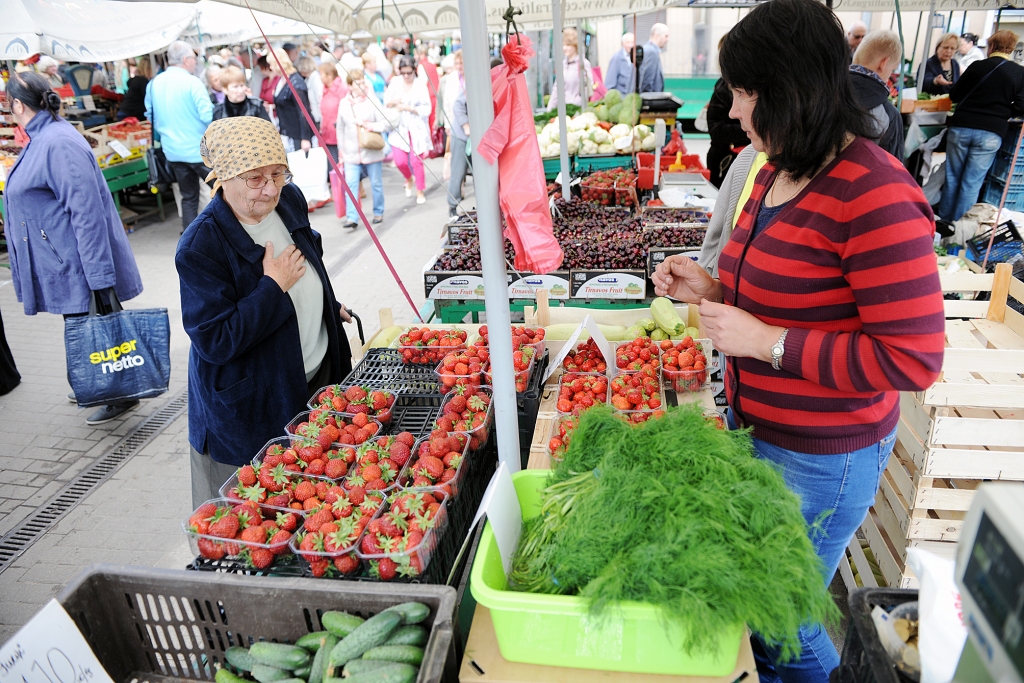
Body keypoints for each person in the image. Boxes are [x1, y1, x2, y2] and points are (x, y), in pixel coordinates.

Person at [651, 1, 945, 680]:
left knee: (781, 616)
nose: (734, 112)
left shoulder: (875, 194)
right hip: (760, 430)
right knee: (762, 612)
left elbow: (912, 358)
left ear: (789, 92)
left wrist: (769, 341)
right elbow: (779, 290)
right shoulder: (775, 168)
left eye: (748, 93)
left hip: (823, 455)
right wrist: (713, 289)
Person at [176, 116, 353, 507]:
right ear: (223, 178)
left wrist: (324, 303)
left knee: (317, 501)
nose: (270, 188)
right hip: (254, 406)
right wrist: (272, 287)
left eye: (278, 173)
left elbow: (310, 256)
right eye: (255, 178)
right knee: (257, 513)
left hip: (316, 380)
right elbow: (216, 341)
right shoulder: (201, 246)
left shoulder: (288, 200)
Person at [5, 71, 145, 424]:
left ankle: (118, 393)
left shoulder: (57, 142)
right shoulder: (44, 136)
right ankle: (94, 381)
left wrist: (99, 276)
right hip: (65, 257)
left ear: (18, 104)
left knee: (94, 325)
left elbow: (86, 214)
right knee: (82, 325)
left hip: (77, 260)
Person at [937, 30, 1024, 224]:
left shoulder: (977, 66)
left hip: (962, 127)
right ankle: (959, 229)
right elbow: (1021, 106)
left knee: (952, 178)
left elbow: (955, 95)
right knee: (971, 183)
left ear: (991, 47)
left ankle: (942, 225)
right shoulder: (1019, 73)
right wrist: (1002, 112)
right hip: (992, 132)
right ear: (1010, 49)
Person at [146, 41, 214, 233]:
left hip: (173, 151)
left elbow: (150, 115)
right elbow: (208, 116)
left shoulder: (154, 84)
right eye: (194, 57)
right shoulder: (192, 82)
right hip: (201, 152)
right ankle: (229, 235)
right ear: (185, 60)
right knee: (224, 192)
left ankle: (191, 240)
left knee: (188, 197)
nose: (195, 62)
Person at [336, 69, 389, 227]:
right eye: (357, 83)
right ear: (350, 86)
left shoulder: (372, 100)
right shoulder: (344, 103)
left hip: (371, 149)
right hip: (351, 151)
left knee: (376, 183)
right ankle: (352, 217)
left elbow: (384, 123)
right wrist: (341, 150)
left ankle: (378, 212)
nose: (361, 86)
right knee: (351, 184)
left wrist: (369, 126)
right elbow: (340, 128)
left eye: (362, 82)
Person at [851, 30, 904, 160]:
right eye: (892, 69)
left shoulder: (823, 94)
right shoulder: (889, 115)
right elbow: (892, 169)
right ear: (884, 63)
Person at [385, 55, 431, 204]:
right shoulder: (395, 82)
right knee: (399, 161)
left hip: (416, 128)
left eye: (409, 72)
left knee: (416, 161)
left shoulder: (420, 85)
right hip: (399, 127)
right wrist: (393, 102)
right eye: (403, 72)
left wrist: (409, 108)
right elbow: (386, 101)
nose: (406, 76)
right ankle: (408, 178)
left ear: (414, 71)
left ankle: (420, 190)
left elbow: (427, 109)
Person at [706, 77, 750, 188]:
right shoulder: (723, 91)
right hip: (725, 159)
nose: (733, 113)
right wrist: (752, 128)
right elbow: (716, 130)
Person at [269, 48, 313, 153]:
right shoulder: (282, 80)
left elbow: (304, 111)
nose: (270, 67)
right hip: (286, 132)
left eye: (271, 64)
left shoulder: (296, 82)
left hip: (297, 134)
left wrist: (305, 138)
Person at [547, 28, 592, 110]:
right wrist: (549, 110)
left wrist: (576, 104)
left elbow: (588, 88)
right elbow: (556, 89)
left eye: (568, 45)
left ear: (575, 46)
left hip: (578, 110)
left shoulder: (583, 64)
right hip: (562, 110)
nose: (564, 48)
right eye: (563, 45)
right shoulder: (562, 64)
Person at [318, 62, 347, 168]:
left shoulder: (342, 89)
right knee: (331, 164)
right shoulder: (325, 89)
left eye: (321, 74)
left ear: (329, 75)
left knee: (338, 164)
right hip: (328, 133)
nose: (320, 77)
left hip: (338, 134)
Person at [448, 90, 471, 218]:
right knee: (458, 172)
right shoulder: (475, 82)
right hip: (462, 135)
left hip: (478, 136)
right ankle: (452, 207)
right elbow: (457, 105)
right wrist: (466, 125)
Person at [638, 23, 669, 93]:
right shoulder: (651, 52)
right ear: (657, 36)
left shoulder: (649, 50)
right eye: (666, 36)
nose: (668, 40)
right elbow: (647, 80)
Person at [297, 56, 323, 128]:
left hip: (318, 117)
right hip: (314, 116)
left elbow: (320, 99)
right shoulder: (309, 79)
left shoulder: (316, 80)